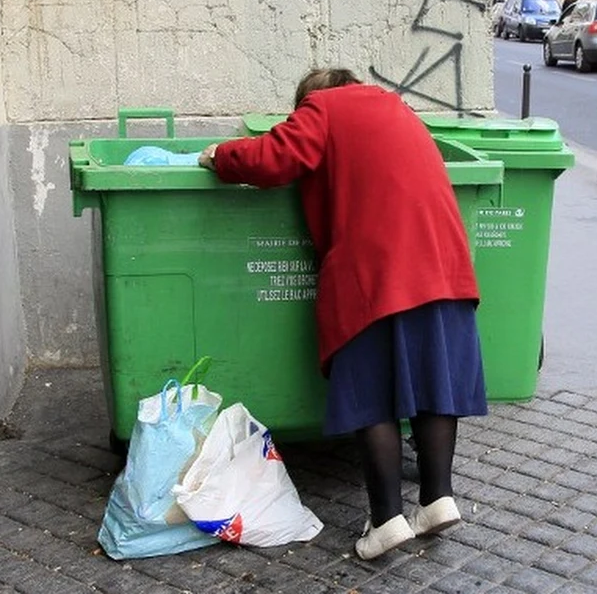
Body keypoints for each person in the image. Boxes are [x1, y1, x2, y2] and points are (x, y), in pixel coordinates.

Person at [198, 69, 487, 561]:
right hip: (442, 262)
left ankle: (387, 519)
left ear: (313, 98)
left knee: (371, 393)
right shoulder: (397, 110)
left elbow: (274, 156)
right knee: (436, 384)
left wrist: (218, 155)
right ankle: (438, 497)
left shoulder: (325, 107)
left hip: (377, 269)